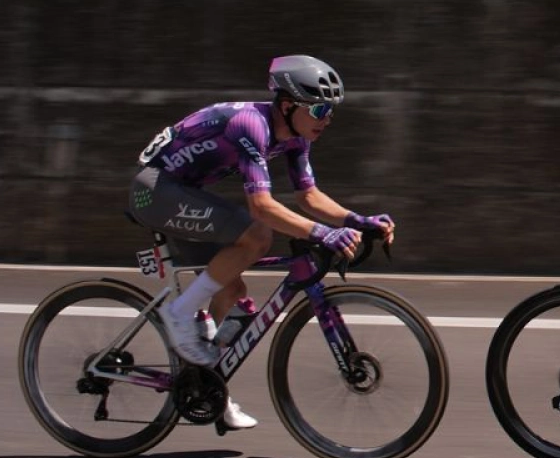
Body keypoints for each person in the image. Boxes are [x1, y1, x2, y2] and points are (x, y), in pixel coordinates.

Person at [129, 55, 395, 430]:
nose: (326, 118)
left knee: (234, 290)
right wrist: (322, 233)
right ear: (287, 106)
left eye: (331, 111)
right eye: (319, 108)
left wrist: (358, 221)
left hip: (185, 192)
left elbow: (309, 197)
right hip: (154, 192)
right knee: (257, 234)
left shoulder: (296, 137)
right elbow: (262, 206)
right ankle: (178, 315)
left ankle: (207, 386)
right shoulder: (249, 125)